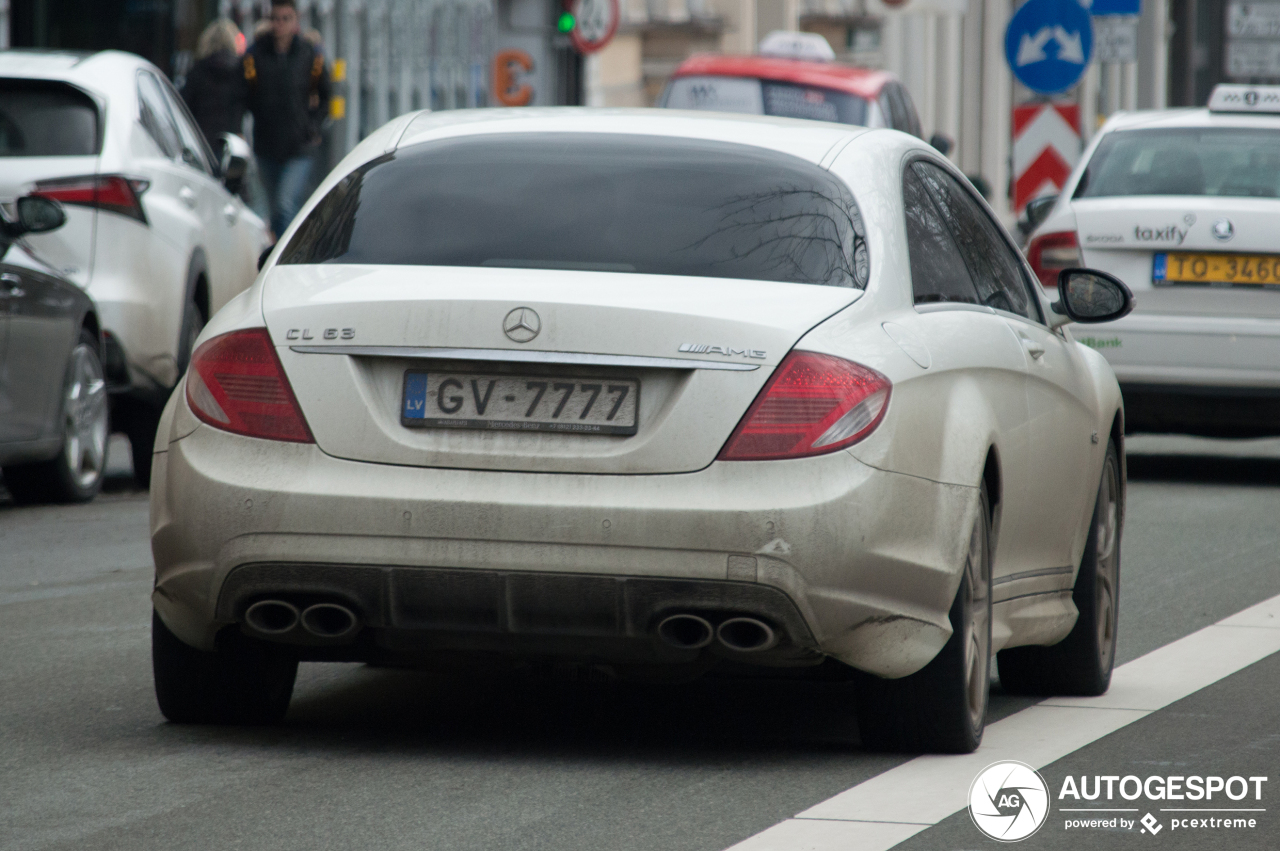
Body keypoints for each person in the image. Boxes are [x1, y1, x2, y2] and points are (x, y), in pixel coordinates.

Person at [242, 0, 330, 238]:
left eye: (285, 18)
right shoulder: (257, 53)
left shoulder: (308, 54)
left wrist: (313, 125)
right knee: (275, 209)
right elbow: (245, 92)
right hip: (266, 145)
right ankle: (286, 250)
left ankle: (283, 261)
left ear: (295, 21)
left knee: (285, 204)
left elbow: (327, 93)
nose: (279, 24)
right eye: (275, 18)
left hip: (299, 146)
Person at [180, 18, 245, 162]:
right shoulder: (239, 71)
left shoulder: (197, 71)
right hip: (230, 142)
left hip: (202, 141)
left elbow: (185, 105)